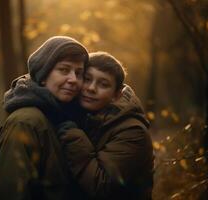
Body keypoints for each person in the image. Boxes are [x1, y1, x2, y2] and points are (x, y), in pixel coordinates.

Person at [0, 36, 89, 200]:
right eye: (64, 70)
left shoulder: (64, 118)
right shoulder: (25, 123)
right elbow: (12, 192)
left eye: (79, 73)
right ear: (43, 75)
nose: (73, 79)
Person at [58, 51, 154, 199]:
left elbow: (102, 186)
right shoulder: (82, 116)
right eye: (87, 79)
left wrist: (72, 135)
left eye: (103, 84)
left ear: (116, 95)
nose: (91, 88)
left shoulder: (133, 131)